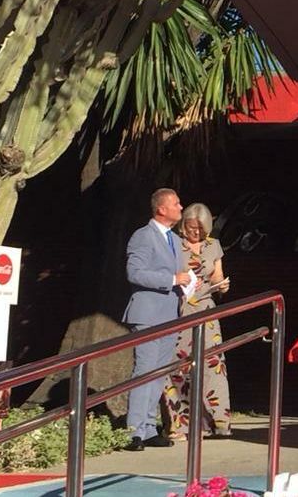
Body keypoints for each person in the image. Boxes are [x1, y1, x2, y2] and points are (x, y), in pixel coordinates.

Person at [122, 187, 189, 450]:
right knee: (144, 371)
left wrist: (186, 284)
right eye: (176, 203)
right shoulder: (143, 236)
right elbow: (134, 273)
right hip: (148, 314)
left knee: (159, 373)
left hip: (169, 313)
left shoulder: (173, 239)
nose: (180, 207)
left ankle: (149, 428)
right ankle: (133, 431)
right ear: (162, 209)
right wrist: (171, 280)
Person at [162, 203, 233, 440]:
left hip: (205, 310)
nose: (195, 234)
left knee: (213, 365)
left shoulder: (213, 246)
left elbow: (217, 276)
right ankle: (178, 425)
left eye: (200, 230)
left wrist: (222, 286)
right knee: (177, 367)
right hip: (179, 309)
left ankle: (218, 422)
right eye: (191, 228)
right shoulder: (173, 243)